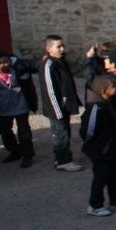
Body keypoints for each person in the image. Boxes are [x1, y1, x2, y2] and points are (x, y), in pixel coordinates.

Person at [38, 35, 83, 171]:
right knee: (60, 134)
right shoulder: (49, 65)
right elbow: (50, 90)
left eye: (63, 46)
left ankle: (62, 158)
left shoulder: (60, 61)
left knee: (64, 132)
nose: (62, 49)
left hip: (63, 106)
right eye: (59, 46)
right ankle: (64, 161)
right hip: (56, 108)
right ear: (48, 48)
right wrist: (57, 110)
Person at [80, 75, 116, 216]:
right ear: (104, 91)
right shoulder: (96, 108)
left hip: (110, 148)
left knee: (113, 175)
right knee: (100, 177)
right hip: (99, 149)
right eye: (113, 86)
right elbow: (88, 130)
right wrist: (96, 145)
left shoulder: (108, 103)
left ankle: (115, 201)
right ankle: (95, 205)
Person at [0, 51, 38, 168]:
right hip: (2, 107)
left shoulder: (18, 70)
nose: (3, 65)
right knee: (3, 130)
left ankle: (27, 155)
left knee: (23, 131)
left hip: (21, 105)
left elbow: (33, 66)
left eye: (5, 62)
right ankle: (15, 151)